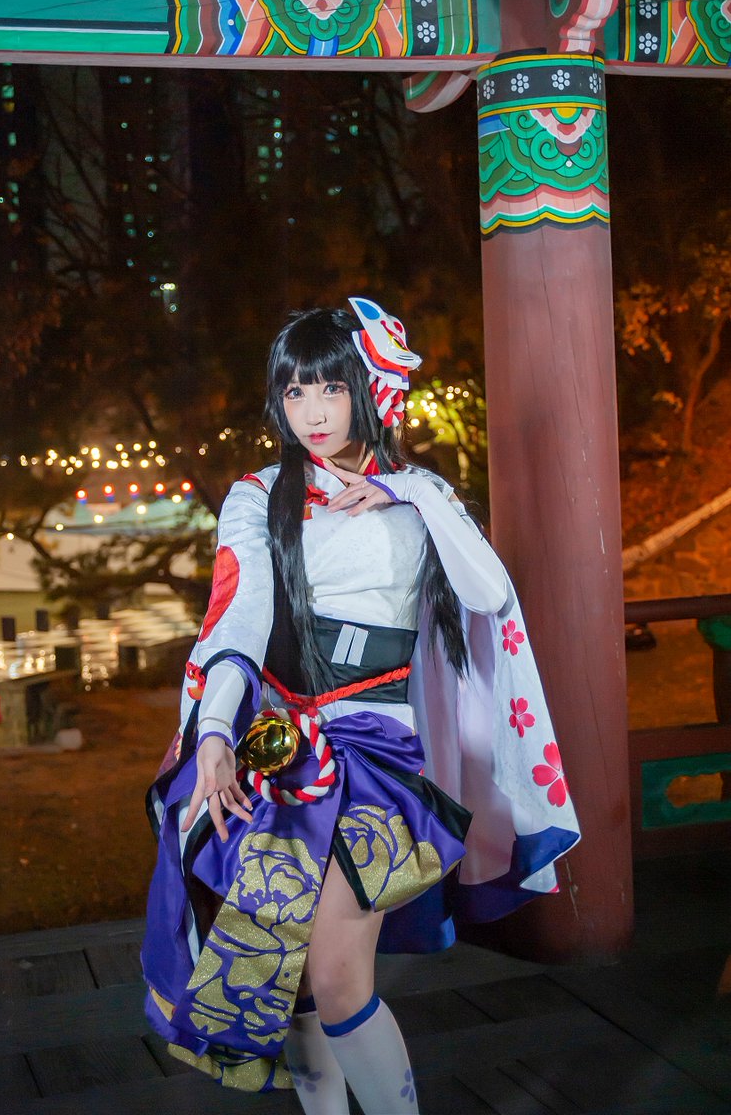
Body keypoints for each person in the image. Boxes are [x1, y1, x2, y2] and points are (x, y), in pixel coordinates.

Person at [141, 299, 580, 1113]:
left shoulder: (417, 491)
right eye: (293, 392)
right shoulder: (257, 495)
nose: (311, 412)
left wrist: (408, 493)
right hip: (279, 748)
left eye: (330, 389)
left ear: (365, 390)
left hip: (378, 749)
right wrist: (213, 730)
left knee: (341, 979)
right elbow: (237, 615)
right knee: (298, 989)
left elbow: (488, 593)